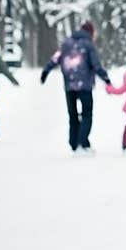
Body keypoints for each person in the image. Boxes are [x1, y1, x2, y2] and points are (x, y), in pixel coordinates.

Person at [40, 20, 111, 154]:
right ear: (90, 32)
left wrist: (45, 72)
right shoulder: (88, 45)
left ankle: (73, 143)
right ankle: (82, 143)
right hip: (85, 86)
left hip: (69, 86)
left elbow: (55, 59)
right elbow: (96, 65)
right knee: (87, 114)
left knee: (72, 115)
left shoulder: (66, 44)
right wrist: (105, 78)